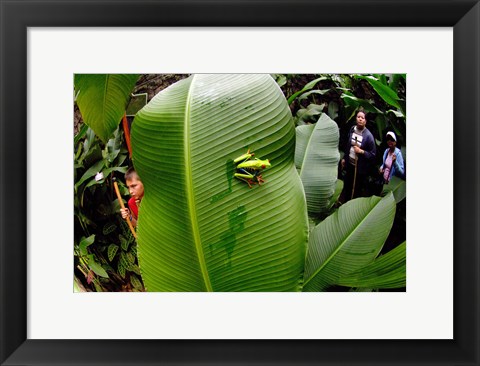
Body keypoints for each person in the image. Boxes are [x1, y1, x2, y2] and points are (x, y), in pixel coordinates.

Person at [340, 110, 376, 202]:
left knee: (356, 189)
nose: (360, 119)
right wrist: (345, 158)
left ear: (365, 121)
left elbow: (372, 155)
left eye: (362, 118)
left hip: (359, 169)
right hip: (350, 165)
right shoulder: (352, 129)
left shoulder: (368, 136)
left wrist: (361, 151)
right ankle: (345, 204)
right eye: (358, 117)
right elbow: (348, 145)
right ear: (356, 118)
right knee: (347, 186)